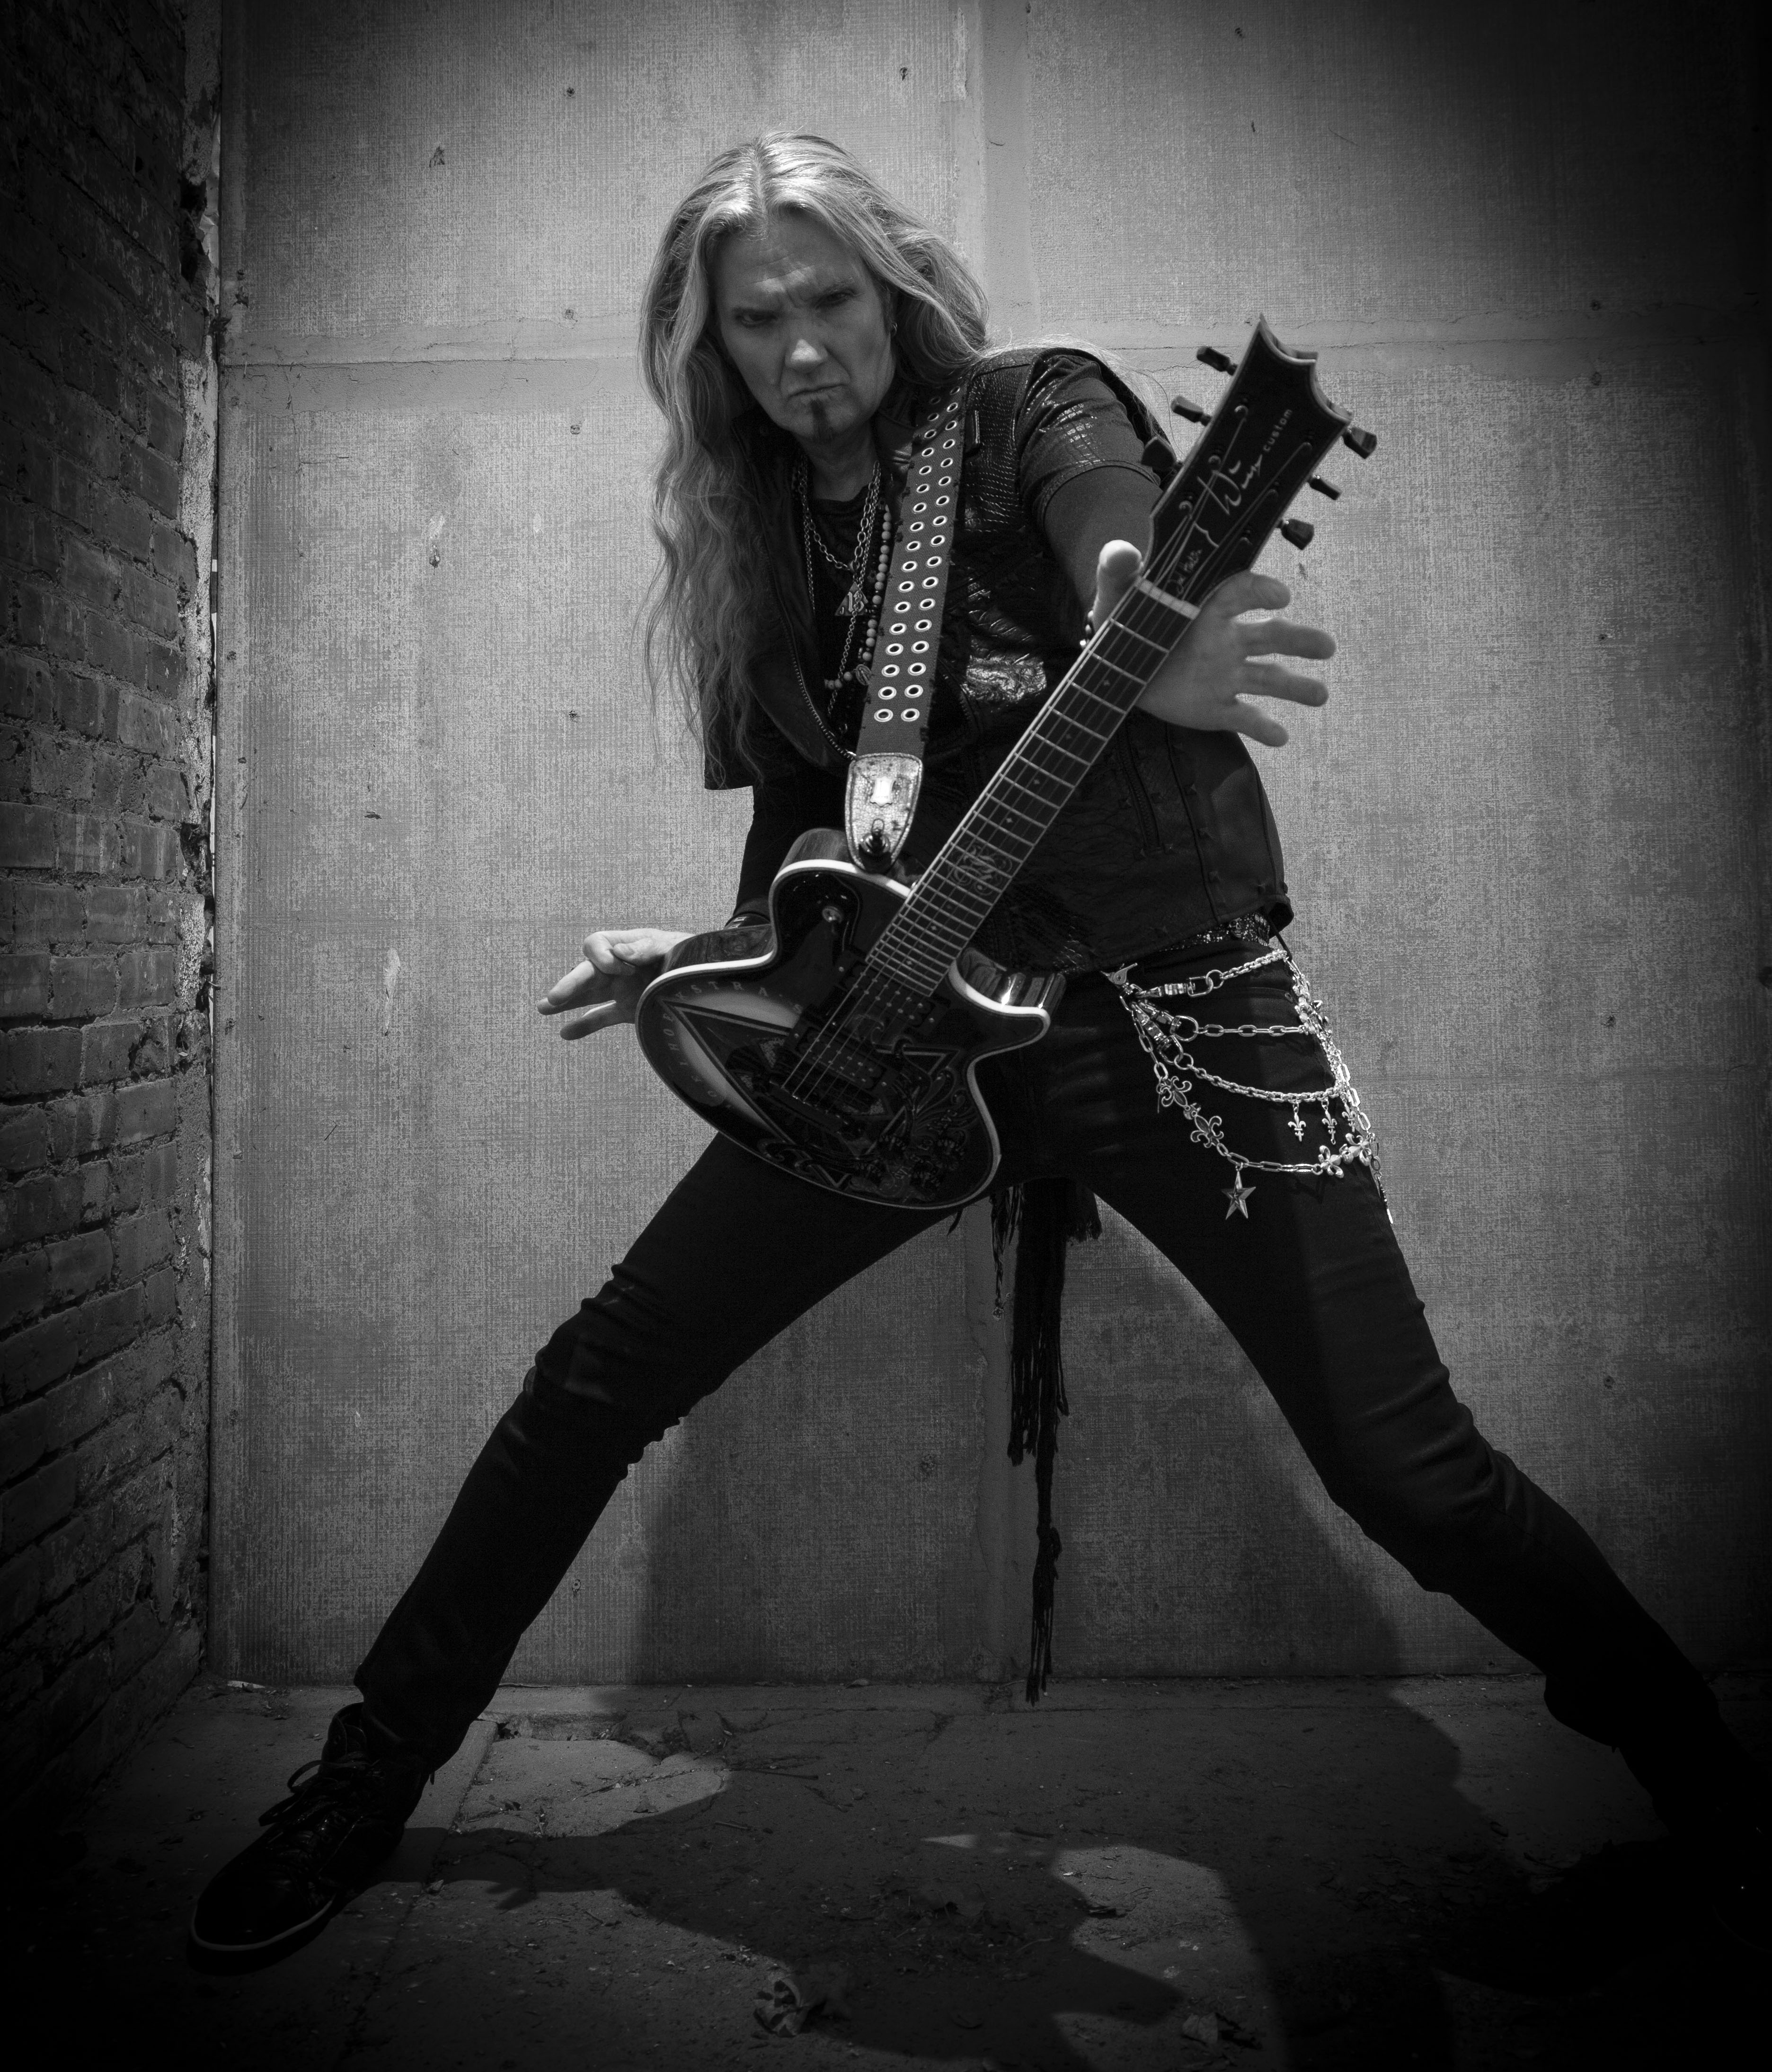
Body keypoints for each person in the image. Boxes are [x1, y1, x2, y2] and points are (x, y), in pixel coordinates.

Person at [189, 133, 1764, 1963]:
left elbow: (1115, 530)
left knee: (1411, 1470)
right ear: (708, 345)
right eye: (757, 320)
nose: (803, 349)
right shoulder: (756, 548)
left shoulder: (1027, 412)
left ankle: (1716, 1792)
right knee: (590, 1386)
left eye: (830, 299)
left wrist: (1141, 623)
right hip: (901, 1040)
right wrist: (704, 959)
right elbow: (805, 859)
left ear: (896, 285)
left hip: (1167, 1019)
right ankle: (366, 1776)